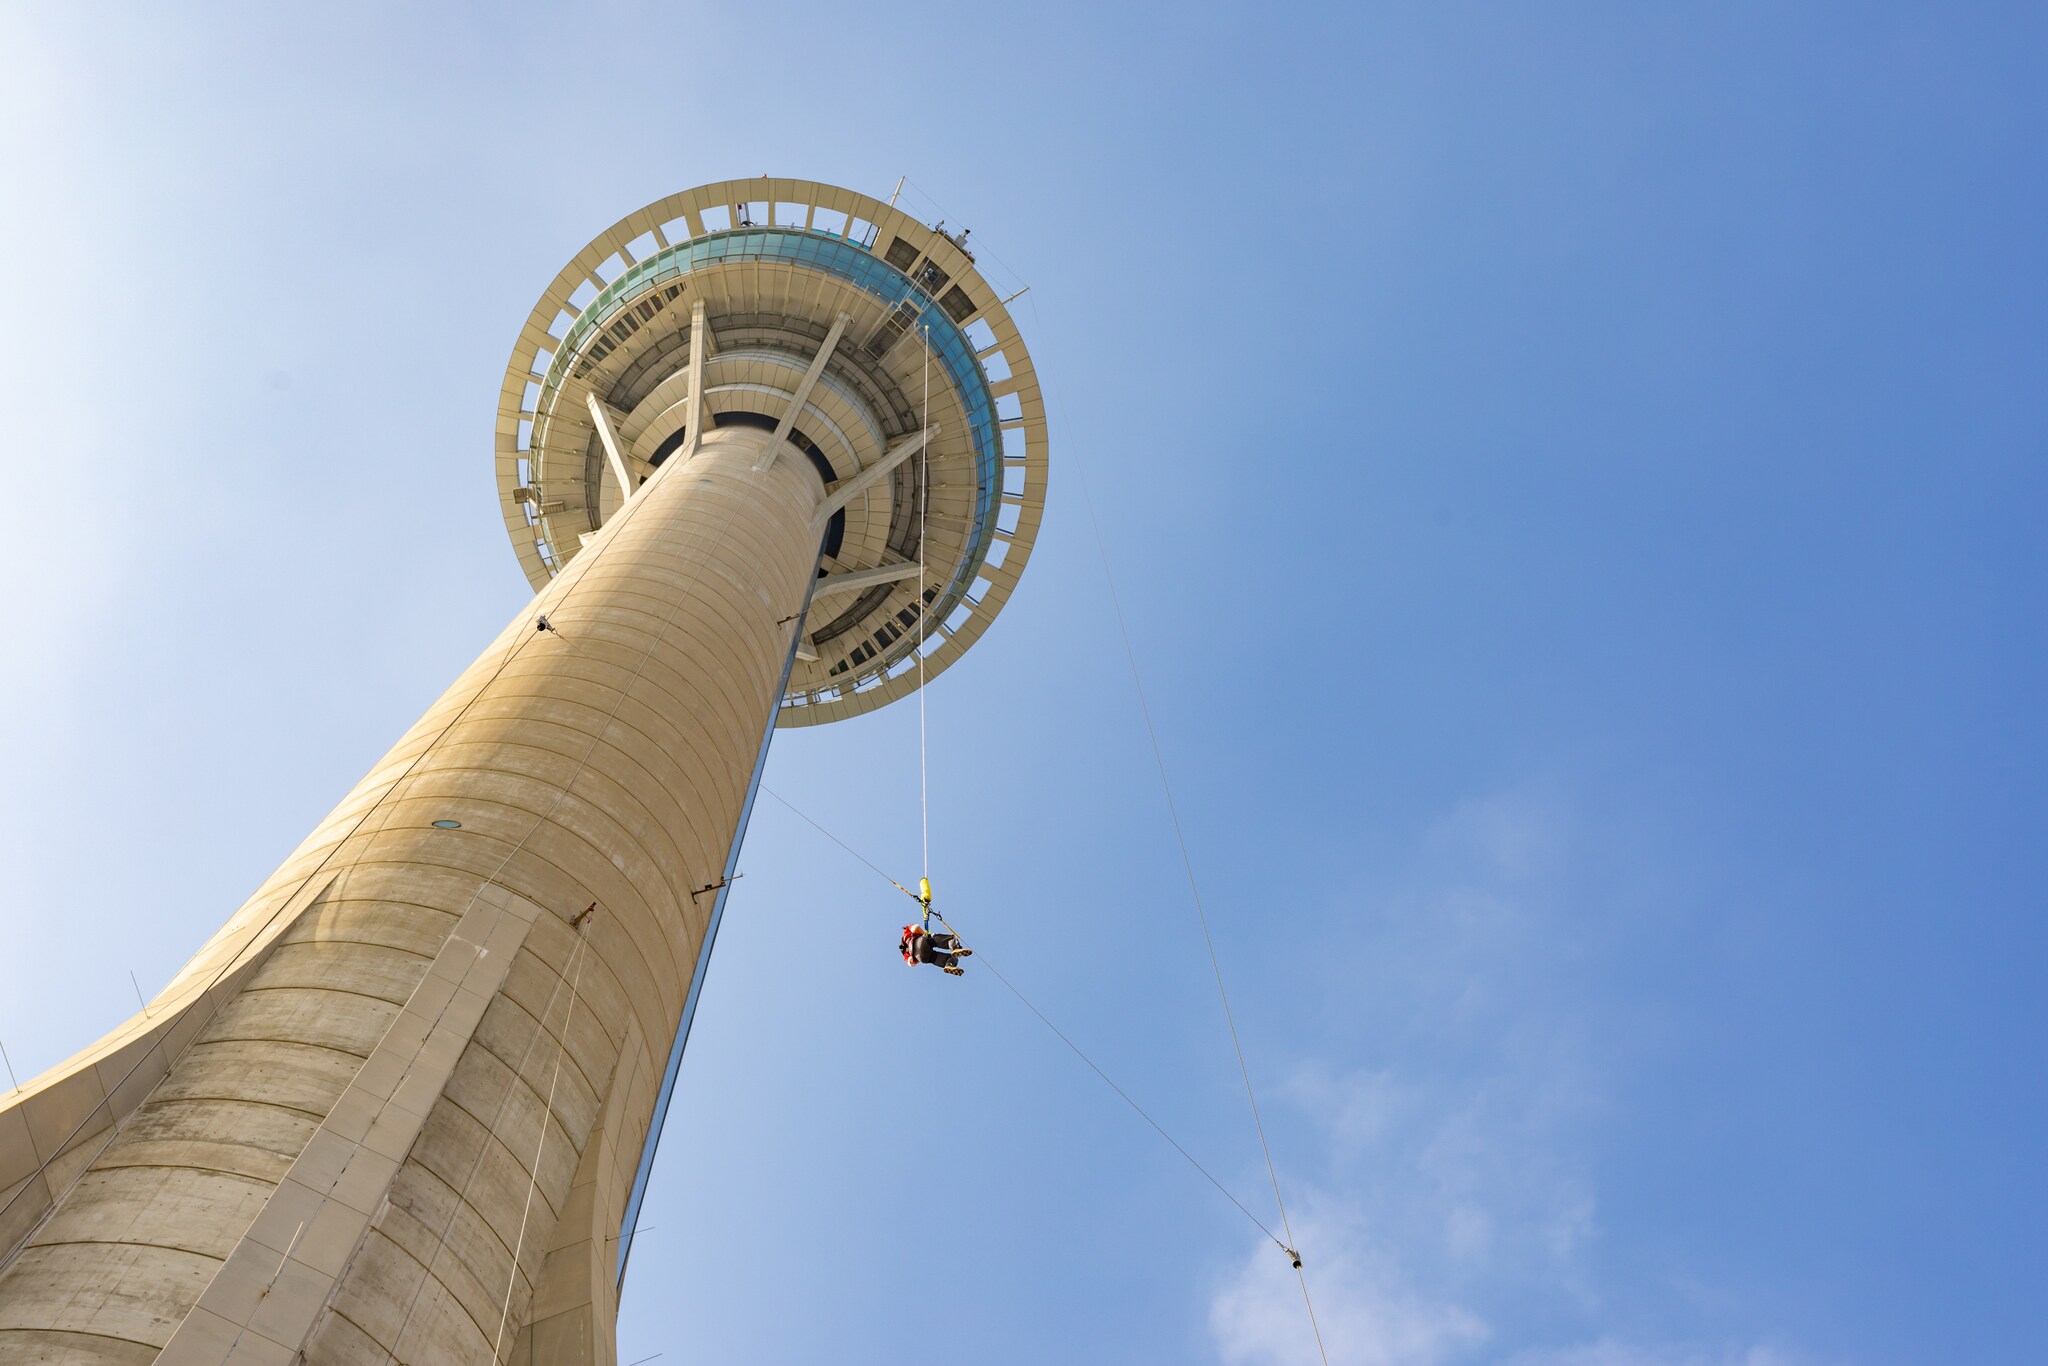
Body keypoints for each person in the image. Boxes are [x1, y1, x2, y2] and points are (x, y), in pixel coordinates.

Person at [900, 923, 972, 976]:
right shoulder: (907, 932)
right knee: (950, 939)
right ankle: (955, 948)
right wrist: (924, 934)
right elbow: (916, 927)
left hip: (922, 958)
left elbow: (911, 963)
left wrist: (917, 955)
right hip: (921, 942)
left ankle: (950, 965)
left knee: (952, 958)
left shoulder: (905, 954)